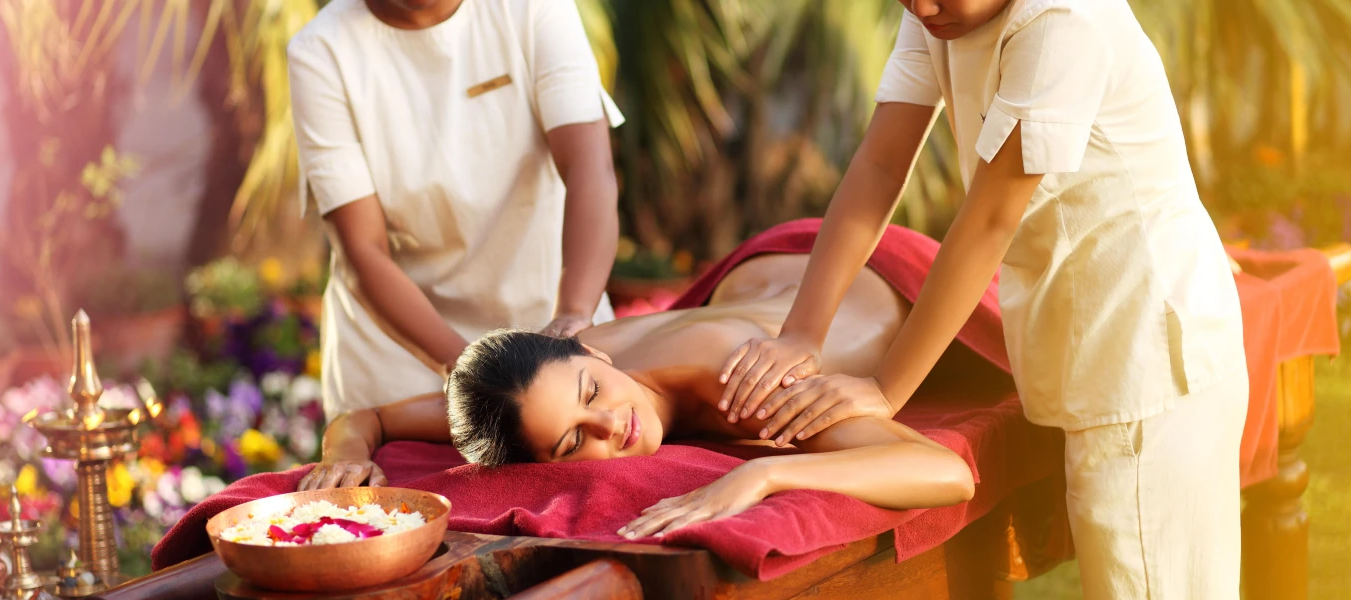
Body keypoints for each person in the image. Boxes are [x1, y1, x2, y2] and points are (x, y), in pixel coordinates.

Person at [715, 1, 1247, 598]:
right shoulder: (936, 11)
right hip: (1096, 344)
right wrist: (802, 334)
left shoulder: (1062, 22)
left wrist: (885, 390)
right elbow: (882, 162)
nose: (920, 6)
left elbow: (991, 216)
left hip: (1147, 361)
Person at [301, 245, 980, 538]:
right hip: (763, 284)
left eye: (592, 389)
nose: (610, 424)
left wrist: (767, 474)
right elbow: (367, 417)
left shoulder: (742, 384)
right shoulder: (541, 385)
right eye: (573, 441)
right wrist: (348, 451)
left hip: (868, 275)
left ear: (593, 350)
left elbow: (945, 471)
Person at [287, 0, 622, 420]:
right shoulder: (321, 51)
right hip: (400, 364)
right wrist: (471, 375)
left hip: (552, 341)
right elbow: (362, 250)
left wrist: (573, 314)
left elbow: (589, 166)